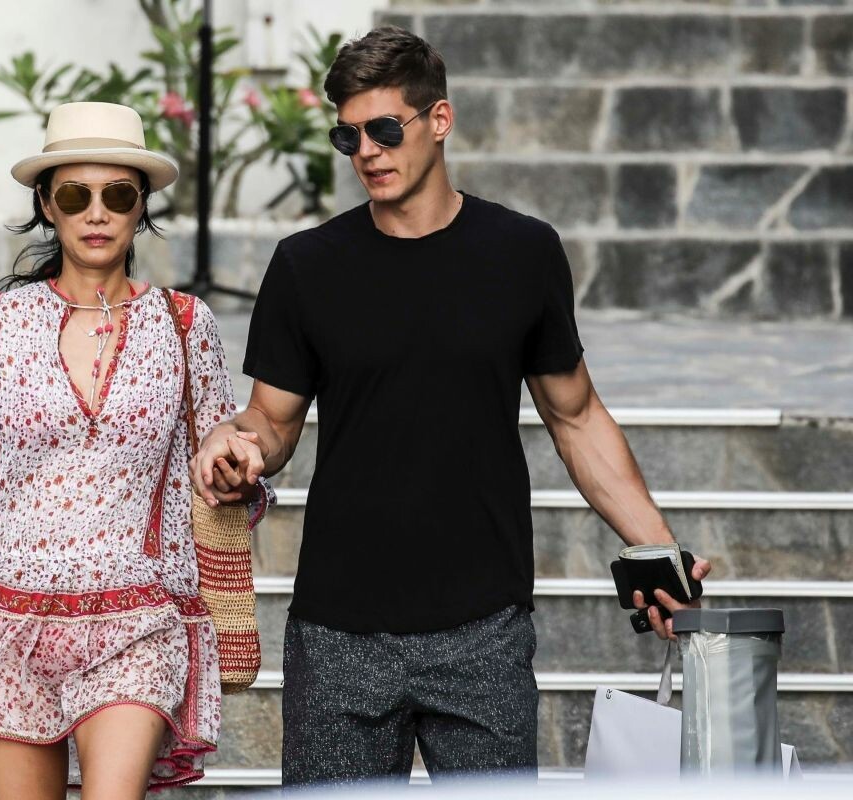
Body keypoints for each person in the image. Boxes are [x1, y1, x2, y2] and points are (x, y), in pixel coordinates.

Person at [189, 26, 712, 786]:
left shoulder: (523, 252)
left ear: (440, 119)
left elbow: (576, 418)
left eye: (384, 129)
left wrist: (660, 554)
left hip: (484, 629)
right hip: (338, 632)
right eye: (348, 136)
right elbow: (271, 419)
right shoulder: (307, 265)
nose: (367, 151)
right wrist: (234, 443)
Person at [0, 102, 270, 800]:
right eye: (75, 195)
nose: (97, 213)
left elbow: (221, 458)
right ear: (47, 205)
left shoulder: (184, 324)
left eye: (118, 195)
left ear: (142, 206)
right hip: (0, 621)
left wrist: (233, 470)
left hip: (137, 620)